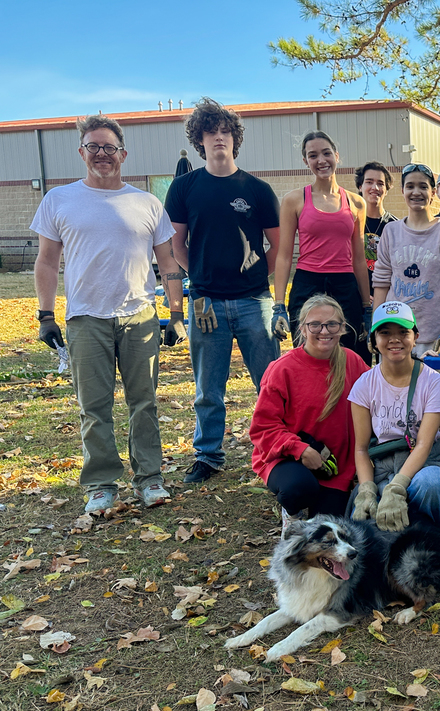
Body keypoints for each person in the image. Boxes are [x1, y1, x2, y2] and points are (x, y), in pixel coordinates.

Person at [32, 114, 185, 513]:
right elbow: (47, 262)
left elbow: (167, 260)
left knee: (144, 402)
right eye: (94, 146)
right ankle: (101, 484)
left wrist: (175, 312)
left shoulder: (147, 203)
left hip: (140, 317)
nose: (102, 154)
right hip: (85, 318)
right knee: (94, 406)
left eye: (110, 147)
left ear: (123, 154)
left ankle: (150, 479)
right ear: (82, 152)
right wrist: (45, 315)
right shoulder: (59, 200)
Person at [166, 97, 282, 484]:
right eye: (210, 132)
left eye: (225, 131)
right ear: (200, 140)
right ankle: (208, 455)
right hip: (206, 303)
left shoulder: (258, 189)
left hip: (254, 302)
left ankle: (280, 448)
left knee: (270, 383)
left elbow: (278, 248)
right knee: (207, 388)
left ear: (235, 139)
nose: (218, 138)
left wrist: (254, 279)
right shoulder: (184, 188)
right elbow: (175, 245)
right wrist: (199, 273)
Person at [250, 295, 370, 531]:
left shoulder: (354, 362)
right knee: (299, 489)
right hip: (287, 457)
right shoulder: (282, 369)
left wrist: (414, 363)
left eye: (332, 324)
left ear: (342, 328)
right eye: (315, 324)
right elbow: (263, 427)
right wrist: (300, 449)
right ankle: (291, 514)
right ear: (302, 328)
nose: (324, 331)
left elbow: (382, 387)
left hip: (335, 466)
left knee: (327, 529)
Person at [349, 301, 440, 531]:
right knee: (365, 528)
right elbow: (361, 449)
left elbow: (423, 444)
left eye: (403, 332)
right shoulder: (363, 385)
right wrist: (367, 489)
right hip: (383, 467)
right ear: (374, 341)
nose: (394, 339)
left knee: (431, 484)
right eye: (385, 332)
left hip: (425, 463)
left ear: (415, 336)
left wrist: (397, 487)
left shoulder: (433, 382)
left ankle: (431, 538)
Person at [272, 131, 371, 356]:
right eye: (313, 155)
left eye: (326, 153)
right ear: (306, 161)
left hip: (346, 285)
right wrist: (278, 305)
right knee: (308, 356)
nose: (321, 160)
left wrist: (366, 305)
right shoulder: (294, 200)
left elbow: (358, 258)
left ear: (336, 156)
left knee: (351, 354)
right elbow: (284, 255)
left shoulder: (356, 203)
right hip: (308, 282)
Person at [372, 163, 440, 356]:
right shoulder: (391, 232)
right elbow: (381, 281)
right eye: (410, 186)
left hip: (432, 335)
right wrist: (376, 326)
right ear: (402, 191)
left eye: (423, 187)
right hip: (394, 331)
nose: (417, 192)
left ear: (433, 192)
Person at [356, 161, 398, 274]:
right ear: (360, 187)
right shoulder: (351, 223)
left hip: (386, 289)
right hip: (355, 289)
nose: (375, 187)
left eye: (380, 183)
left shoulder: (396, 227)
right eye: (369, 182)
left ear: (387, 190)